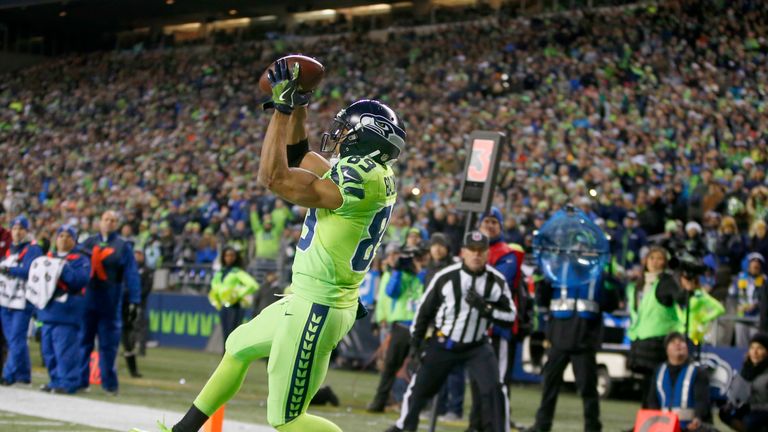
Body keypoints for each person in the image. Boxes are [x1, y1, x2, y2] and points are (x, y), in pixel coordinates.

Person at [166, 60, 404, 432]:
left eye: (346, 130)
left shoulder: (363, 178)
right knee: (239, 345)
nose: (338, 135)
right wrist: (299, 104)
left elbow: (274, 176)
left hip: (319, 306)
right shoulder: (370, 172)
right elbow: (297, 156)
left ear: (367, 136)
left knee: (286, 419)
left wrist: (280, 110)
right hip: (310, 298)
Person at [386, 231, 516, 432]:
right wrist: (416, 343)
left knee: (495, 390)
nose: (476, 255)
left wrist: (486, 308)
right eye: (472, 250)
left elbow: (510, 317)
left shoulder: (496, 281)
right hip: (444, 342)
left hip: (477, 346)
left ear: (488, 254)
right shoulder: (446, 277)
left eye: (481, 251)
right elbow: (424, 311)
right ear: (463, 252)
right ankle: (404, 427)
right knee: (419, 388)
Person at [525, 206, 617, 432]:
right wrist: (541, 282)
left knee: (588, 390)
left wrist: (610, 285)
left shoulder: (599, 276)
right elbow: (544, 301)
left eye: (583, 246)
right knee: (549, 388)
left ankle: (592, 428)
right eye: (576, 245)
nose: (579, 249)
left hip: (584, 342)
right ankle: (541, 426)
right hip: (558, 340)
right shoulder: (555, 271)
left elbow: (611, 305)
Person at [79, 210, 141, 394]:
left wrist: (135, 300)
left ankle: (110, 385)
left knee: (108, 346)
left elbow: (132, 273)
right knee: (83, 342)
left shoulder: (123, 246)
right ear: (100, 221)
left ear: (117, 224)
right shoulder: (88, 242)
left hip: (110, 302)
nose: (109, 223)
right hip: (88, 300)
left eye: (113, 220)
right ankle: (81, 381)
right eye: (106, 219)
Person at [366, 246, 424, 413]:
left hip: (420, 327)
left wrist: (420, 272)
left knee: (419, 368)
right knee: (390, 366)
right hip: (401, 326)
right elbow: (391, 292)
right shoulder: (400, 275)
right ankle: (380, 402)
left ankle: (415, 405)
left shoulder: (425, 275)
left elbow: (426, 291)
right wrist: (398, 270)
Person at [37, 224, 91, 394]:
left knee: (65, 350)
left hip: (67, 311)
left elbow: (78, 281)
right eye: (61, 236)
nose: (64, 239)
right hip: (48, 310)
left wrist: (61, 267)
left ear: (74, 240)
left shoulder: (81, 260)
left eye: (68, 236)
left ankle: (68, 382)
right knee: (49, 350)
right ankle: (55, 380)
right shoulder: (48, 257)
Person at [627, 246, 684, 404]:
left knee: (656, 383)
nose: (655, 262)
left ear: (665, 262)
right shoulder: (636, 285)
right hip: (640, 338)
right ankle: (645, 420)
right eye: (652, 258)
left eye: (659, 258)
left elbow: (680, 298)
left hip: (659, 340)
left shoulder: (667, 282)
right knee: (647, 384)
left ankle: (654, 420)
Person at [0, 216, 43, 386]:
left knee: (17, 340)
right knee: (14, 340)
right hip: (7, 301)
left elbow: (30, 271)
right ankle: (24, 375)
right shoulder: (11, 249)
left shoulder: (33, 249)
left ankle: (9, 375)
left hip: (22, 302)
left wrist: (9, 270)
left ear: (27, 231)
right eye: (15, 228)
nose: (17, 232)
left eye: (21, 229)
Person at [645, 332, 712, 431]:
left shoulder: (697, 371)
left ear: (687, 347)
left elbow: (702, 401)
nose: (678, 344)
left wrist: (698, 418)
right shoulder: (659, 371)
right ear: (667, 350)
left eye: (681, 341)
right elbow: (652, 401)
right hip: (664, 427)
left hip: (690, 427)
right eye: (673, 342)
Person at [207, 247, 260, 351]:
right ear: (223, 257)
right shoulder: (220, 273)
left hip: (235, 306)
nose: (229, 258)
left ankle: (231, 355)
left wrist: (237, 293)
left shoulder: (237, 272)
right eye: (227, 255)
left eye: (232, 255)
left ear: (236, 258)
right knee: (225, 332)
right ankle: (224, 355)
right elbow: (214, 286)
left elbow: (253, 285)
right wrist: (216, 297)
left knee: (232, 333)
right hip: (223, 306)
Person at [719, 333, 768, 432]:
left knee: (749, 421)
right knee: (724, 413)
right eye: (752, 348)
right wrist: (731, 404)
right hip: (746, 408)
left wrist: (751, 406)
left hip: (762, 410)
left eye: (759, 348)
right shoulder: (745, 369)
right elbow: (736, 391)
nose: (755, 352)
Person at [122, 248, 154, 376]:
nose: (137, 256)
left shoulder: (145, 271)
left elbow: (145, 288)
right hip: (120, 305)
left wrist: (135, 300)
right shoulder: (125, 269)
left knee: (132, 332)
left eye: (139, 254)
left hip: (135, 304)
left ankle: (135, 364)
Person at [731, 253, 766, 347]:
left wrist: (757, 304)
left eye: (759, 263)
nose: (756, 264)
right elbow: (731, 295)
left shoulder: (765, 280)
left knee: (756, 343)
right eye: (753, 262)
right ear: (748, 264)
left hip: (757, 318)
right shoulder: (739, 278)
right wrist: (737, 307)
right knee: (741, 345)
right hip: (741, 317)